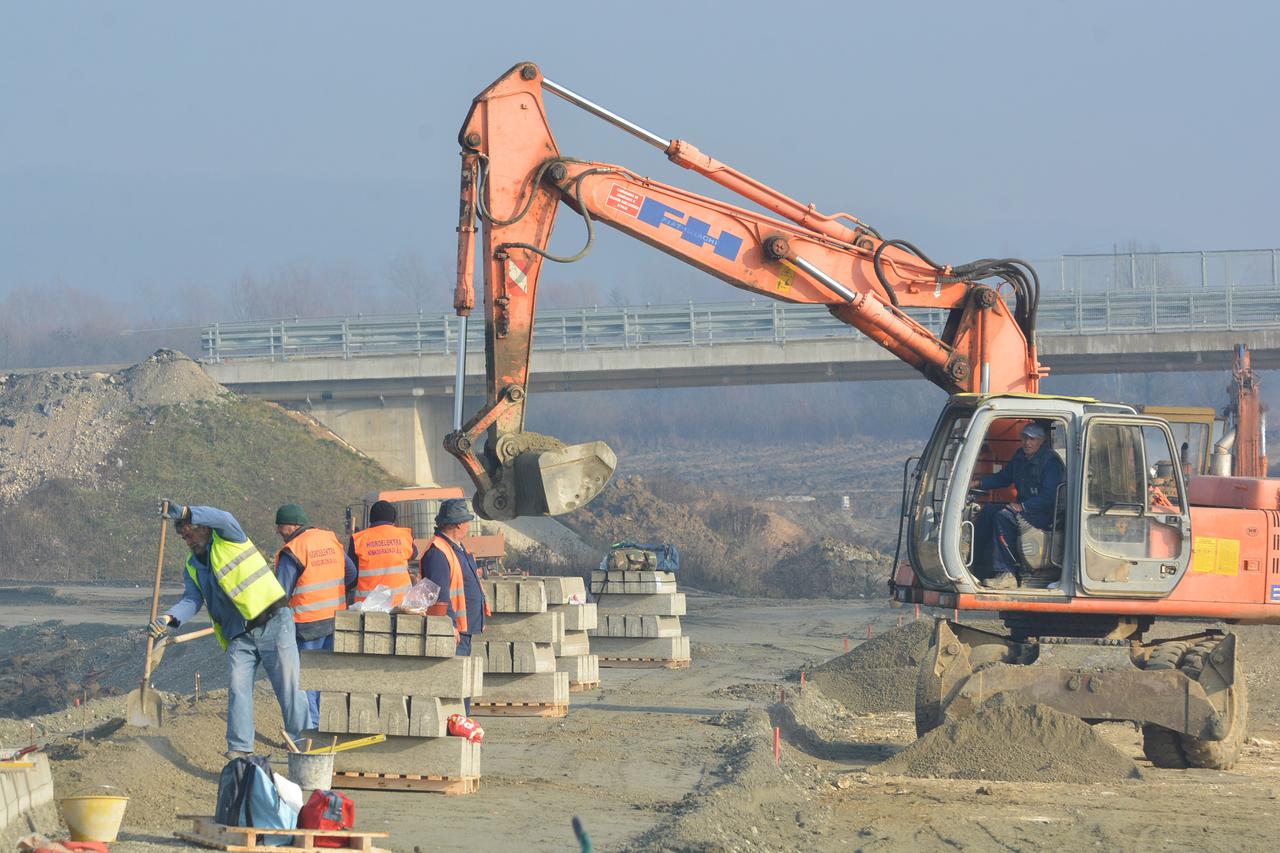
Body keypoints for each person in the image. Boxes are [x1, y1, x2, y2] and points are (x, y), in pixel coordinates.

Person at [147, 502, 307, 759]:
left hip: (273, 622)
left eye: (190, 534)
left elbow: (224, 517)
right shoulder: (192, 565)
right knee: (238, 688)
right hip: (238, 635)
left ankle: (302, 743)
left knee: (288, 686)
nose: (188, 541)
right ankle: (240, 749)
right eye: (184, 538)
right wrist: (168, 618)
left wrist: (187, 512)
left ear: (203, 528)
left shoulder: (230, 537)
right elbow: (192, 600)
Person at [273, 503, 358, 730]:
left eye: (280, 526)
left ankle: (311, 730)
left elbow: (280, 593)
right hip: (335, 620)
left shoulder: (294, 549)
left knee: (306, 679)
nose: (278, 531)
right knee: (323, 677)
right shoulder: (329, 539)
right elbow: (351, 574)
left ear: (293, 525)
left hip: (307, 624)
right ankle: (326, 727)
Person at [969, 422, 1065, 590]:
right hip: (1025, 508)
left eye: (1032, 439)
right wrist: (979, 482)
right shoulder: (1020, 457)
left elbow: (1050, 496)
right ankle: (974, 564)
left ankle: (1007, 573)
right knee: (989, 510)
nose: (1027, 443)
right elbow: (1004, 477)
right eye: (1025, 438)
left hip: (1044, 513)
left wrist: (1024, 506)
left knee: (1004, 516)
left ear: (1041, 440)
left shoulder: (1050, 462)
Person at [421, 499, 490, 713]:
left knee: (462, 682)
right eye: (467, 521)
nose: (468, 525)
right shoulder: (438, 551)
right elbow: (439, 593)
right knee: (455, 683)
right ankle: (457, 720)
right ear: (458, 524)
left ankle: (461, 719)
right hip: (455, 631)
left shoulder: (456, 548)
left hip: (464, 628)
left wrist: (480, 614)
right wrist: (449, 624)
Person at [347, 500, 416, 608]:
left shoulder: (358, 539)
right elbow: (414, 554)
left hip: (368, 607)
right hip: (401, 606)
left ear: (371, 519)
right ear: (393, 519)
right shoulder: (404, 536)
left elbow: (352, 575)